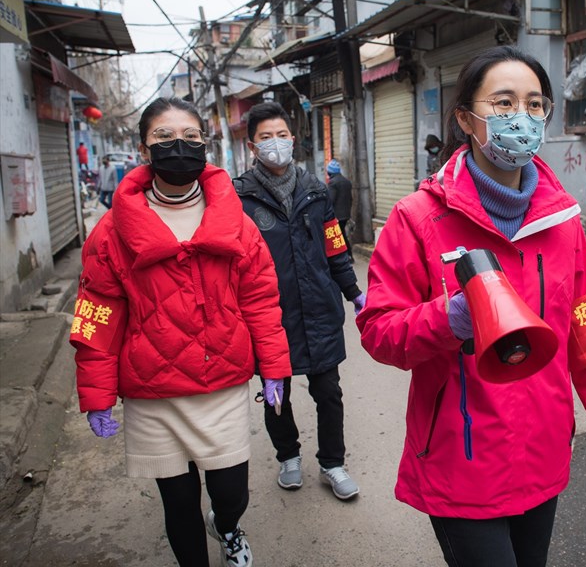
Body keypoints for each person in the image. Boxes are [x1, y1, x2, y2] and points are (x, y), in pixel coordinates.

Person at [356, 46, 586, 567]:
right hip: (459, 460)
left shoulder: (563, 224)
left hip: (543, 456)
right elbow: (379, 332)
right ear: (467, 118)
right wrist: (448, 319)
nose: (523, 118)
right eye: (504, 102)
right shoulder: (417, 218)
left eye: (535, 105)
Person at [70, 97, 292, 567]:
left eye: (191, 138)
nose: (179, 148)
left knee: (231, 493)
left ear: (205, 145)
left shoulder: (236, 221)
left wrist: (275, 368)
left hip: (223, 384)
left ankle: (228, 528)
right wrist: (95, 393)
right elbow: (97, 313)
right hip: (153, 394)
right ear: (143, 148)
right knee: (178, 503)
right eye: (164, 139)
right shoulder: (112, 232)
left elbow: (260, 300)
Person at [235, 102, 365, 501]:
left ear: (293, 139)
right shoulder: (239, 198)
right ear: (252, 146)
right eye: (265, 138)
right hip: (270, 317)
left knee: (329, 392)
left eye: (281, 135)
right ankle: (288, 456)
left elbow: (335, 247)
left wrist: (354, 292)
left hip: (320, 310)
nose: (276, 144)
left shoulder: (316, 191)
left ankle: (332, 462)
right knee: (277, 395)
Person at [325, 158, 354, 263]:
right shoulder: (346, 181)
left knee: (339, 237)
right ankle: (348, 256)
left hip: (337, 215)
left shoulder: (333, 183)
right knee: (342, 235)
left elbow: (330, 200)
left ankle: (346, 257)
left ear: (330, 171)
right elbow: (350, 199)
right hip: (345, 214)